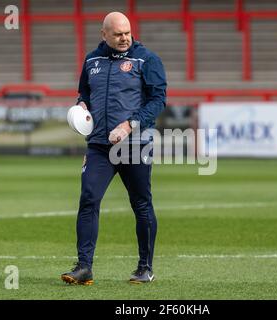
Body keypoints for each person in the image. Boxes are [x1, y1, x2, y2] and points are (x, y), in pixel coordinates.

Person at [61, 12, 167, 285]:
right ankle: (84, 267)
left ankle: (145, 268)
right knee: (88, 198)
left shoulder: (147, 59)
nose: (124, 38)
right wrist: (82, 105)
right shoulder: (91, 60)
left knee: (141, 204)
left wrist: (130, 125)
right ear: (104, 34)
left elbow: (158, 100)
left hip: (134, 145)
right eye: (118, 34)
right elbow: (84, 92)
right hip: (98, 145)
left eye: (127, 32)